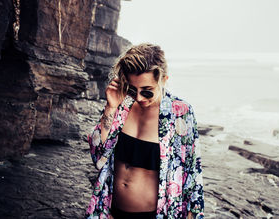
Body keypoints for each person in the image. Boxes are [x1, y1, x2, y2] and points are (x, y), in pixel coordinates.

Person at [85, 43, 204, 219]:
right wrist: (111, 107)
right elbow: (98, 158)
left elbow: (192, 175)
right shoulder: (122, 105)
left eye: (147, 92)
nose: (139, 98)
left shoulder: (180, 113)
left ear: (163, 80)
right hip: (108, 211)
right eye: (133, 90)